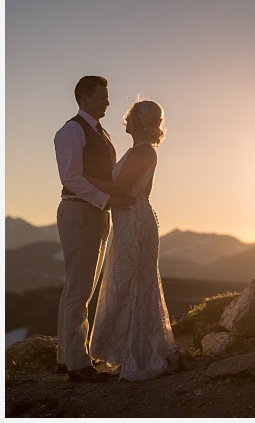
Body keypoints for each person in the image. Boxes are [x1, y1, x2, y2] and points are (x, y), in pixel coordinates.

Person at [86, 99, 179, 381]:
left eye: (130, 116)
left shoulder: (143, 152)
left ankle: (140, 353)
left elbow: (121, 187)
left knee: (133, 282)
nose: (125, 120)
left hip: (135, 221)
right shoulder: (139, 151)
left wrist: (82, 177)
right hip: (129, 219)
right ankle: (129, 349)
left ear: (138, 121)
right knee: (125, 281)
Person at [54, 75, 134, 383]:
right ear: (84, 98)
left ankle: (66, 358)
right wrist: (108, 199)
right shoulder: (72, 130)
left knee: (75, 287)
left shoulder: (100, 132)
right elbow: (70, 177)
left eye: (107, 97)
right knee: (80, 290)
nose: (107, 102)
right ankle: (79, 365)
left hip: (92, 212)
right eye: (101, 97)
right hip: (80, 211)